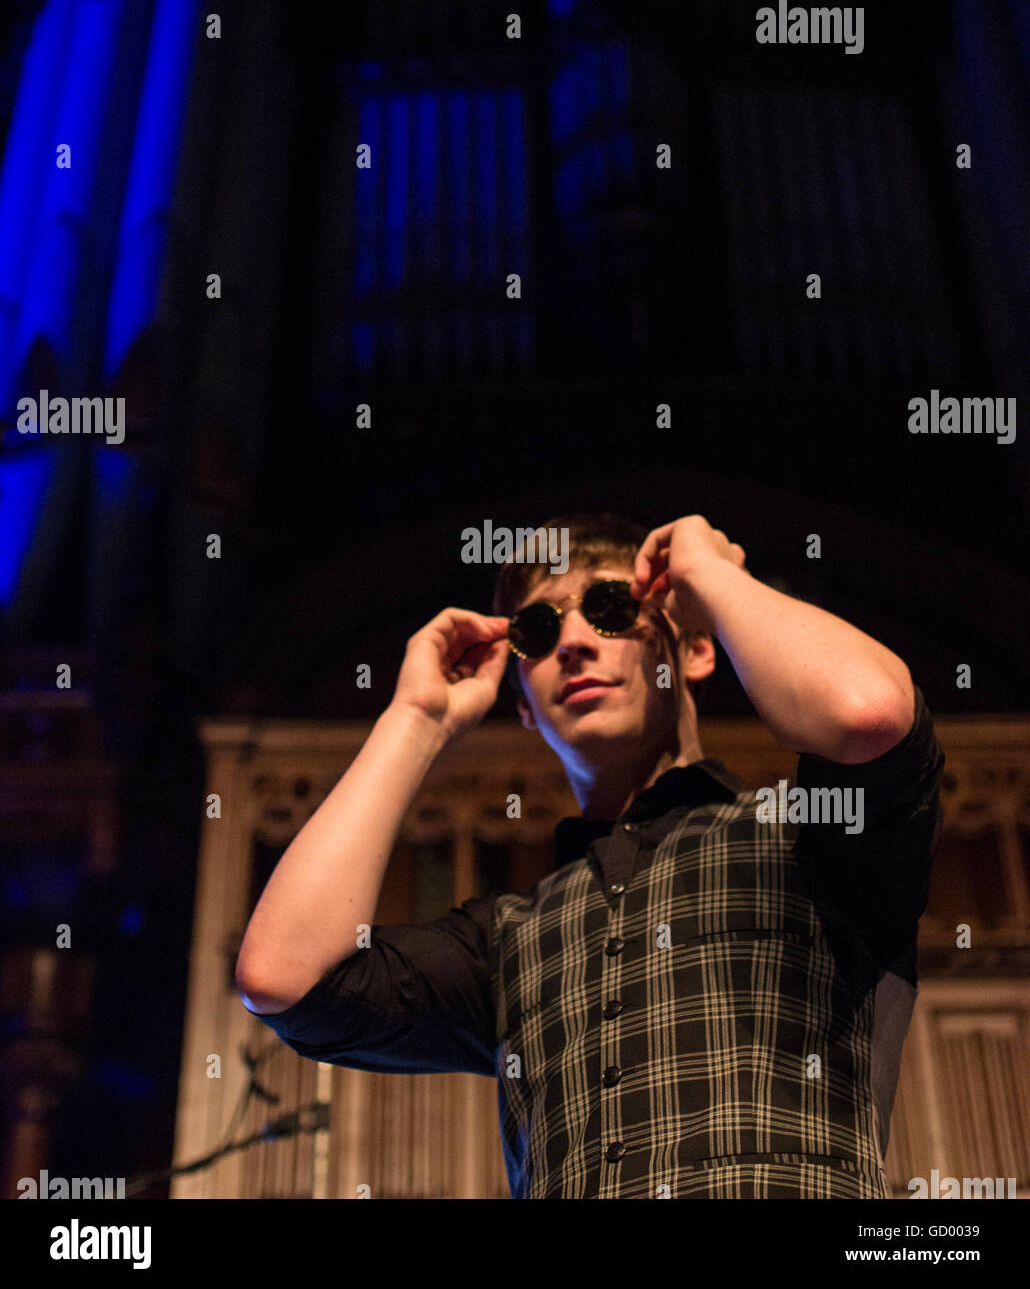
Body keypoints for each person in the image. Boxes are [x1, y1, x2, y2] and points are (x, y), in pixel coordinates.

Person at [235, 511, 944, 1198]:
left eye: (609, 607)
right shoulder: (507, 936)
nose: (572, 640)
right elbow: (283, 976)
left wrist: (712, 579)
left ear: (696, 650)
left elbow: (868, 712)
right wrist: (415, 722)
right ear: (524, 706)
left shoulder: (809, 835)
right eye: (539, 630)